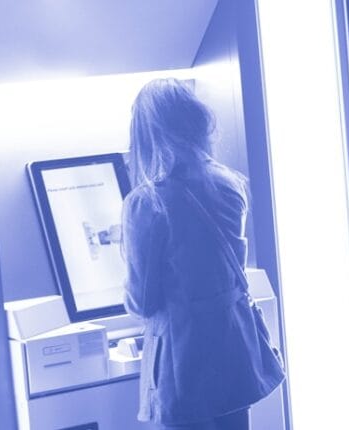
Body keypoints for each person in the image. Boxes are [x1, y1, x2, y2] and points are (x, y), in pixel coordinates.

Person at [122, 79, 285, 430]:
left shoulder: (147, 202)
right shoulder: (230, 185)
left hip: (181, 367)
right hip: (233, 353)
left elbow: (142, 301)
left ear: (146, 134)